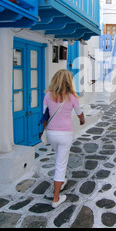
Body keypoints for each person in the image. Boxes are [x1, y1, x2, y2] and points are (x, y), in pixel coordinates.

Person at [42, 69, 85, 208]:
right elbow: (79, 114)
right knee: (61, 164)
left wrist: (44, 130)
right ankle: (56, 198)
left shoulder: (48, 95)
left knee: (59, 158)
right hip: (65, 134)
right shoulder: (72, 97)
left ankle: (62, 180)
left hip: (51, 133)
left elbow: (45, 115)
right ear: (69, 81)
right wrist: (82, 120)